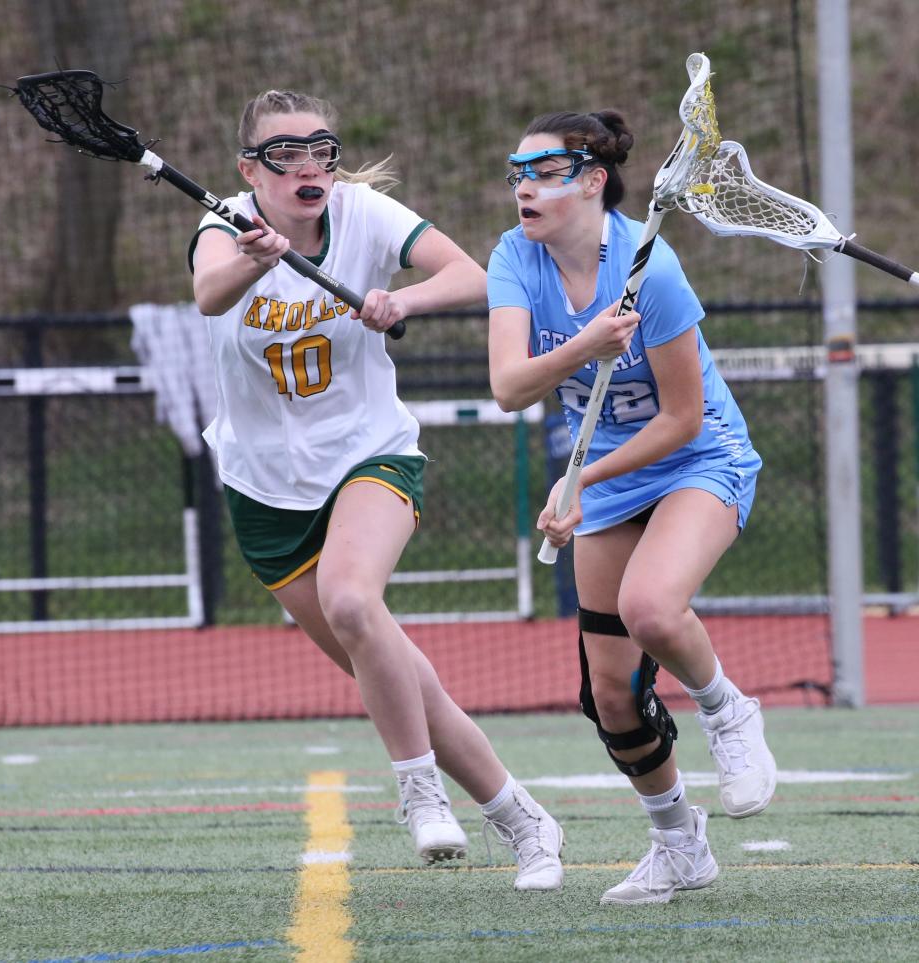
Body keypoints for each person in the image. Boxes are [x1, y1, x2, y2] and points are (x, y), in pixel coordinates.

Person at [189, 88, 563, 890]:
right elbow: (209, 294)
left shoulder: (364, 214)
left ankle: (418, 790)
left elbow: (470, 273)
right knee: (397, 673)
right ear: (251, 169)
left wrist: (405, 296)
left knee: (356, 604)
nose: (307, 166)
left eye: (319, 149)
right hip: (263, 488)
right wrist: (252, 258)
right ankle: (523, 819)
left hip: (369, 455)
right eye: (284, 154)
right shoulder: (223, 224)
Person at [486, 109, 777, 905]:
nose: (524, 186)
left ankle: (728, 712)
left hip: (696, 458)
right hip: (609, 479)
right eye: (517, 170)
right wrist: (588, 345)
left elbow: (681, 418)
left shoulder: (656, 270)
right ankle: (679, 842)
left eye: (542, 171)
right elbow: (511, 385)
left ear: (590, 180)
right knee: (611, 693)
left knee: (651, 607)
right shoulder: (515, 256)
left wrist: (579, 477)